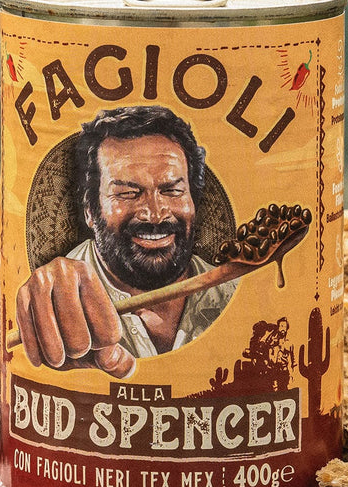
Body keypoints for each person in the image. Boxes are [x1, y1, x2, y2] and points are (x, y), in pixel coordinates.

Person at [14, 106, 236, 378]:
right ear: (89, 210)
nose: (155, 214)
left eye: (172, 191)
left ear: (193, 201)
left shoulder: (231, 292)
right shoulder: (58, 293)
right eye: (128, 193)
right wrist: (45, 301)